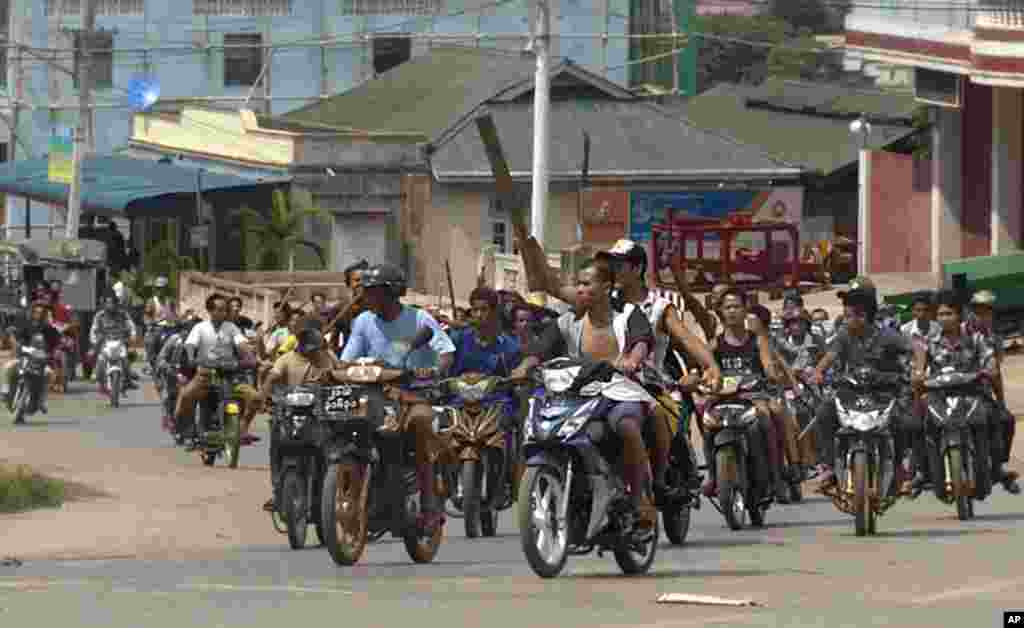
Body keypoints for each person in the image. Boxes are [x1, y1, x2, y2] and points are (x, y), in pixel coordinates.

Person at [510, 257, 659, 537]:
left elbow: (641, 340)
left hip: (619, 390)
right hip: (577, 396)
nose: (579, 290)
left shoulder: (627, 315)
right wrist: (524, 366)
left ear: (606, 286)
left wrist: (632, 358)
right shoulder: (568, 323)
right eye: (577, 284)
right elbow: (540, 350)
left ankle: (641, 500)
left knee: (625, 425)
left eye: (586, 283)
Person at [597, 239, 723, 501]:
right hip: (603, 383)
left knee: (670, 419)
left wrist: (710, 366)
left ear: (637, 268)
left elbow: (686, 338)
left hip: (651, 385)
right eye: (612, 266)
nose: (614, 271)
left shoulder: (659, 307)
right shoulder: (602, 300)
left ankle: (664, 477)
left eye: (620, 265)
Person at [339, 263, 456, 534]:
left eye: (374, 292)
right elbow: (348, 358)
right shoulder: (363, 321)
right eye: (366, 292)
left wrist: (435, 369)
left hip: (413, 395)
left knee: (420, 426)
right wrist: (337, 369)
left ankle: (429, 505)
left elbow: (446, 351)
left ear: (392, 293)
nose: (368, 298)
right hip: (374, 394)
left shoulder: (420, 319)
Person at [811, 276, 915, 490]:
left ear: (867, 314)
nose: (850, 319)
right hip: (851, 392)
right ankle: (829, 465)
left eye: (855, 314)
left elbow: (917, 349)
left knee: (905, 422)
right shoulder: (843, 334)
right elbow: (830, 355)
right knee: (824, 412)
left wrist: (919, 370)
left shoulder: (888, 335)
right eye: (847, 314)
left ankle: (899, 466)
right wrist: (818, 372)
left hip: (883, 393)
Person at [705, 291, 794, 502]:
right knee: (707, 422)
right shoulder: (714, 344)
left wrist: (773, 375)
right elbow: (707, 369)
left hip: (755, 396)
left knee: (768, 413)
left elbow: (767, 365)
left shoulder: (758, 340)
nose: (732, 311)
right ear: (722, 312)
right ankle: (712, 476)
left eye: (737, 306)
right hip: (724, 399)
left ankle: (775, 474)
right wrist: (702, 379)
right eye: (728, 307)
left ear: (745, 310)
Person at [261, 326, 343, 512]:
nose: (317, 354)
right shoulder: (286, 360)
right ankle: (277, 491)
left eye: (319, 349)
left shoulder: (328, 357)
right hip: (291, 415)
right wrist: (264, 397)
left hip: (322, 415)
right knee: (277, 444)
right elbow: (271, 378)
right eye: (314, 350)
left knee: (334, 448)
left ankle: (333, 488)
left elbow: (341, 374)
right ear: (302, 346)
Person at [174, 294, 262, 445]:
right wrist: (191, 357)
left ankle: (242, 428)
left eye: (224, 309)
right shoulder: (200, 327)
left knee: (255, 398)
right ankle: (186, 429)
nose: (223, 312)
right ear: (210, 310)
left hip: (230, 375)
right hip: (205, 375)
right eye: (219, 309)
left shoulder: (231, 328)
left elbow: (242, 344)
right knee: (186, 396)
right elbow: (190, 344)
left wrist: (251, 357)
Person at [961, 290, 1019, 493]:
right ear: (971, 311)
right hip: (953, 389)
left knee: (1005, 420)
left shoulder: (994, 339)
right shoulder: (958, 332)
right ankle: (921, 472)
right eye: (979, 310)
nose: (983, 314)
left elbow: (996, 373)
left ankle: (998, 466)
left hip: (981, 393)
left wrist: (1001, 402)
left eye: (987, 310)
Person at [2, 302, 61, 417]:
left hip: (41, 362)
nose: (38, 314)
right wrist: (16, 344)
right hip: (25, 357)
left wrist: (55, 352)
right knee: (8, 367)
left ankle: (42, 401)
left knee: (49, 374)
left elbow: (56, 343)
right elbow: (17, 338)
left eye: (41, 313)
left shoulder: (49, 329)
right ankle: (4, 392)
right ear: (32, 313)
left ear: (44, 314)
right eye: (36, 312)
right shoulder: (26, 325)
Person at [448, 287, 521, 378]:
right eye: (475, 310)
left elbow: (513, 380)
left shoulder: (509, 345)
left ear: (495, 312)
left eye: (484, 310)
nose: (478, 315)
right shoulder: (458, 339)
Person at [89, 292, 140, 394]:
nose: (110, 305)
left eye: (112, 303)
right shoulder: (99, 315)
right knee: (95, 355)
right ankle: (96, 373)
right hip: (105, 342)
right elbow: (93, 329)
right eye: (108, 303)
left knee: (126, 359)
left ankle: (128, 380)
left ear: (116, 304)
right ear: (104, 304)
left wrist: (133, 336)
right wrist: (94, 340)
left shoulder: (123, 314)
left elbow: (131, 325)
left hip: (120, 341)